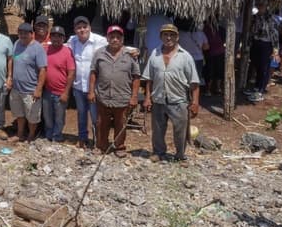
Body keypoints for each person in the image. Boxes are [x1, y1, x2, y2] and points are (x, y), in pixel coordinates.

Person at [144, 23, 201, 164]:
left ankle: (180, 155)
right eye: (165, 34)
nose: (168, 37)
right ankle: (158, 152)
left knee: (180, 131)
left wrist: (195, 102)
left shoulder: (185, 56)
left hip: (179, 100)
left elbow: (194, 82)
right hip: (158, 99)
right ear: (160, 36)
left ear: (177, 37)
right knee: (157, 130)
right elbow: (149, 79)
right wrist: (147, 98)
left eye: (172, 35)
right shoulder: (154, 54)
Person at [88, 25, 140, 157]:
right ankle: (101, 146)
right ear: (107, 38)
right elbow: (93, 73)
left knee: (120, 123)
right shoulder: (99, 53)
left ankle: (119, 147)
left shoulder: (130, 55)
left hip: (122, 97)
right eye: (112, 37)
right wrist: (91, 91)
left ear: (122, 39)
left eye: (118, 37)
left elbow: (136, 77)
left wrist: (134, 97)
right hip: (103, 96)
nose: (115, 39)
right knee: (102, 123)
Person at [68, 16, 106, 150]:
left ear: (89, 27)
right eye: (78, 28)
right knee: (81, 114)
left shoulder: (100, 41)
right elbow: (59, 46)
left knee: (96, 116)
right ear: (75, 30)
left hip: (94, 87)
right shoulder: (72, 41)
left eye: (84, 27)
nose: (82, 30)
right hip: (78, 86)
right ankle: (82, 139)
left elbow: (116, 46)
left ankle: (97, 141)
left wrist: (131, 51)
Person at [9, 22, 47, 142]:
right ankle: (20, 134)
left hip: (30, 90)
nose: (23, 35)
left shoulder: (38, 48)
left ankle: (31, 135)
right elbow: (12, 60)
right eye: (20, 33)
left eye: (26, 33)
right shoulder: (16, 44)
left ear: (32, 34)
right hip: (16, 88)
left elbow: (43, 70)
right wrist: (9, 77)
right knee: (19, 114)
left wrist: (39, 88)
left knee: (32, 116)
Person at [42, 26, 75, 143]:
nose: (56, 38)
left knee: (59, 117)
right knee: (47, 116)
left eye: (59, 36)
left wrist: (66, 92)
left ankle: (57, 136)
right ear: (50, 37)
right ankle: (49, 135)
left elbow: (71, 74)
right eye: (54, 36)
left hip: (61, 91)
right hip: (47, 90)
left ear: (63, 38)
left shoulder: (67, 52)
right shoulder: (45, 49)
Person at [248, 8, 281, 95]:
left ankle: (261, 89)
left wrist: (275, 51)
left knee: (264, 67)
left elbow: (275, 36)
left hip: (266, 44)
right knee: (257, 65)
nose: (259, 8)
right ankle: (257, 86)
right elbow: (251, 32)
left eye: (261, 6)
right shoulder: (255, 18)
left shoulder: (271, 20)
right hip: (256, 43)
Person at [175, 18, 209, 85]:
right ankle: (194, 94)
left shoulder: (179, 34)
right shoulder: (200, 33)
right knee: (196, 80)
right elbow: (206, 47)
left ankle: (186, 94)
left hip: (183, 59)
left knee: (184, 79)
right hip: (198, 59)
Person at [202, 20, 226, 97]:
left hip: (210, 53)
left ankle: (209, 90)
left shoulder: (205, 29)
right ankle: (217, 88)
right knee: (218, 70)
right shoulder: (221, 29)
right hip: (218, 52)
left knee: (210, 71)